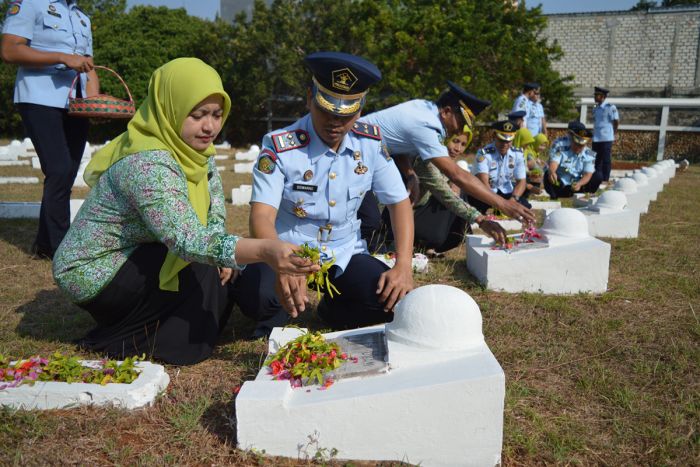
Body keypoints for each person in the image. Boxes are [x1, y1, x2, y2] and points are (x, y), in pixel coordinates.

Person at [52, 58, 318, 365]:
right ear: (170, 108)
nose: (210, 127)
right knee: (190, 332)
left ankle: (158, 322)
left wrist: (223, 250)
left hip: (144, 250)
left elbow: (213, 211)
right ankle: (120, 334)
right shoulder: (148, 163)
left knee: (213, 278)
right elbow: (187, 240)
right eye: (197, 115)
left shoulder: (197, 151)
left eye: (217, 115)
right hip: (94, 268)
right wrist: (266, 249)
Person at [233, 51, 414, 336]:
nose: (335, 123)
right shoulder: (280, 146)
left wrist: (404, 264)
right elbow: (261, 215)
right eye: (326, 110)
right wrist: (281, 261)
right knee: (259, 299)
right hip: (287, 249)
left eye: (346, 115)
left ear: (361, 109)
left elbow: (399, 202)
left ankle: (333, 309)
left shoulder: (369, 143)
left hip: (344, 253)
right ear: (309, 98)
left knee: (390, 301)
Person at [359, 80, 535, 248]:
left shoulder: (423, 108)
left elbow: (398, 146)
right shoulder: (427, 126)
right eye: (461, 122)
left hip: (364, 155)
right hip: (354, 154)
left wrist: (410, 174)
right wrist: (502, 205)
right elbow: (455, 175)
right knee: (369, 222)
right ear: (446, 112)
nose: (459, 130)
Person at [1, 0, 99, 259]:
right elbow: (10, 50)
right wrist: (61, 57)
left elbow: (89, 65)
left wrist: (94, 102)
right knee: (58, 169)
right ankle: (62, 249)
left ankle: (44, 246)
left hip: (75, 103)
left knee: (65, 174)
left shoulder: (82, 17)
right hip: (38, 97)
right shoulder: (29, 4)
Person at [388, 131, 507, 256]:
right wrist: (481, 220)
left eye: (463, 144)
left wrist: (454, 183)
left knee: (463, 194)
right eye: (455, 141)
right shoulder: (426, 160)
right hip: (404, 216)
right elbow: (445, 194)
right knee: (452, 199)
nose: (458, 149)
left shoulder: (447, 163)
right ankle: (419, 243)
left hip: (421, 211)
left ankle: (428, 245)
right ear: (443, 140)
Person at [470, 120, 529, 213]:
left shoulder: (517, 154)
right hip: (487, 193)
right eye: (501, 140)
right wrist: (499, 204)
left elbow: (521, 181)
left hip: (507, 192)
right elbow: (484, 182)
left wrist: (512, 201)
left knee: (525, 205)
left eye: (508, 141)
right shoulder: (484, 154)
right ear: (495, 136)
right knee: (479, 205)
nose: (505, 144)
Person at [544, 121, 602, 199]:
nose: (579, 148)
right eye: (577, 144)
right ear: (572, 140)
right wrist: (552, 172)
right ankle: (555, 195)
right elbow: (554, 162)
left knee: (598, 176)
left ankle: (584, 196)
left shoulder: (590, 154)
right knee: (548, 174)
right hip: (561, 183)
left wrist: (580, 184)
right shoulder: (560, 146)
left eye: (581, 146)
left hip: (576, 185)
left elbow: (588, 174)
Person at [592, 86, 619, 183]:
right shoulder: (595, 108)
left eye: (597, 95)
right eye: (594, 95)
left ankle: (605, 179)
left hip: (606, 138)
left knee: (606, 159)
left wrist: (614, 132)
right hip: (596, 138)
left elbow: (616, 121)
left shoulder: (610, 107)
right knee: (596, 159)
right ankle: (597, 178)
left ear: (603, 96)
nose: (594, 97)